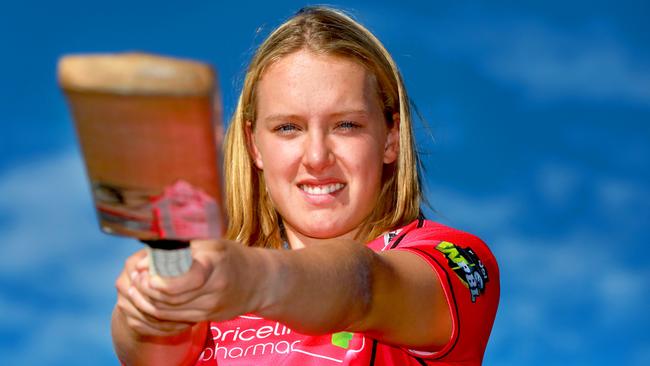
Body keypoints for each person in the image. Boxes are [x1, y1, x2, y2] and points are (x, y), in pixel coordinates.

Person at [111, 6, 500, 366]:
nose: (316, 157)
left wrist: (249, 279)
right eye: (288, 128)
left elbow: (363, 288)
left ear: (390, 137)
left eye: (347, 125)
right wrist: (155, 290)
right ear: (254, 146)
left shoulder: (454, 259)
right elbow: (149, 352)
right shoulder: (217, 283)